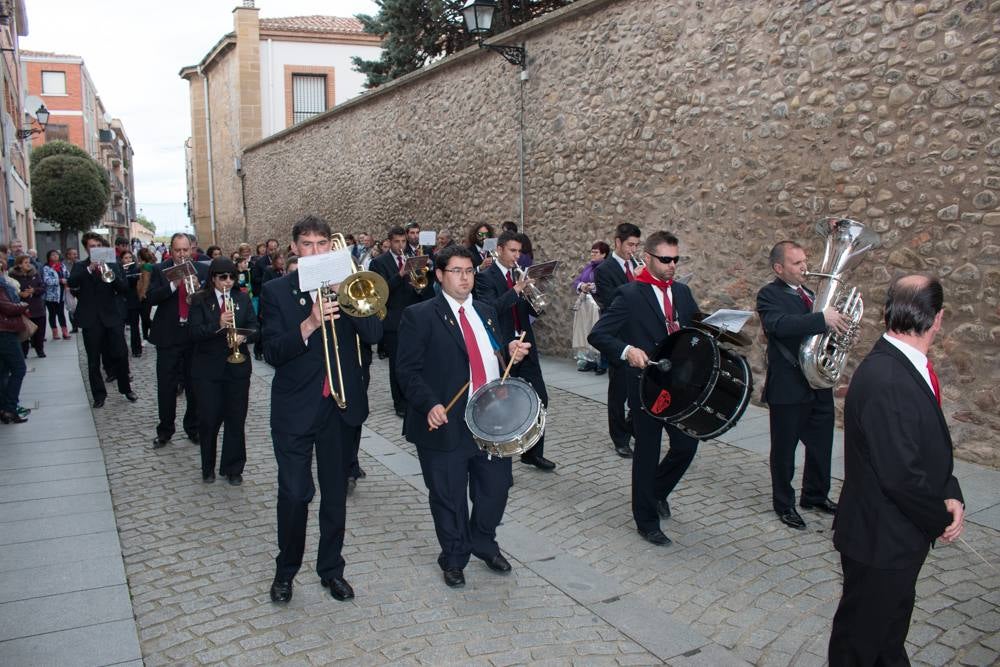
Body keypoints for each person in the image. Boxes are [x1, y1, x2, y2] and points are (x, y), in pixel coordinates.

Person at [828, 274, 964, 666]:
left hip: (895, 536)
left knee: (887, 636)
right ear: (937, 318)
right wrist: (940, 517)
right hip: (880, 540)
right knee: (858, 644)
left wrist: (950, 489)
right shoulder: (888, 377)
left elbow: (925, 445)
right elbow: (900, 474)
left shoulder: (906, 365)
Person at [262, 215, 382, 604]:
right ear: (294, 248)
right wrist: (310, 323)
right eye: (307, 244)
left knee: (334, 496)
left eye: (322, 244)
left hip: (340, 407)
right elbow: (272, 351)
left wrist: (349, 298)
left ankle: (331, 570)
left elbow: (376, 336)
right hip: (295, 411)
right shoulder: (276, 292)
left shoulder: (349, 287)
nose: (315, 251)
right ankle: (285, 572)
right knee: (296, 494)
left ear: (333, 247)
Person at [396, 244, 532, 587]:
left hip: (490, 420)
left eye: (469, 271)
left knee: (496, 489)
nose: (464, 278)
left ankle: (483, 541)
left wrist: (510, 352)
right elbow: (407, 371)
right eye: (456, 271)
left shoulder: (486, 311)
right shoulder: (420, 315)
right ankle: (454, 556)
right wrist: (429, 404)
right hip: (445, 421)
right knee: (449, 495)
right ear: (440, 275)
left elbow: (493, 356)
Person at [589, 231, 701, 546]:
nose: (672, 265)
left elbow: (694, 329)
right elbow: (599, 335)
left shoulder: (683, 292)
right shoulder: (630, 295)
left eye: (676, 259)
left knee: (686, 447)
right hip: (646, 386)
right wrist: (627, 351)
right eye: (665, 259)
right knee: (647, 454)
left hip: (679, 385)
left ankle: (656, 492)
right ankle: (646, 520)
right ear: (648, 258)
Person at [756, 240, 849, 530]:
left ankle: (815, 495)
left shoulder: (810, 294)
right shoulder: (768, 295)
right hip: (788, 385)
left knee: (822, 444)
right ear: (778, 268)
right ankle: (784, 504)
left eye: (805, 261)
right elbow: (780, 325)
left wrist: (840, 333)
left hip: (817, 383)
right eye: (797, 263)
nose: (805, 267)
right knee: (784, 450)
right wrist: (822, 319)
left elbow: (819, 335)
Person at [473, 231, 556, 471]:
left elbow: (535, 312)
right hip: (503, 347)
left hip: (525, 344)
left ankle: (533, 453)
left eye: (519, 251)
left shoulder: (519, 276)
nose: (516, 256)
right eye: (512, 251)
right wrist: (516, 290)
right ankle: (500, 458)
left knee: (541, 398)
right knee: (504, 404)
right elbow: (490, 310)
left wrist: (534, 294)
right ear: (499, 249)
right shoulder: (485, 278)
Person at [188, 258, 258, 484]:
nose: (228, 281)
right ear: (213, 278)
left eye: (231, 277)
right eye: (222, 277)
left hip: (237, 368)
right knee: (208, 419)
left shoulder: (242, 297)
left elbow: (255, 326)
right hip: (207, 369)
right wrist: (218, 323)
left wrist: (244, 335)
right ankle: (207, 466)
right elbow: (193, 333)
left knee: (236, 419)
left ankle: (233, 468)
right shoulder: (200, 299)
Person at [147, 232, 208, 448]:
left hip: (193, 336)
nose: (182, 254)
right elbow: (152, 297)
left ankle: (193, 428)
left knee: (195, 386)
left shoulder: (202, 269)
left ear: (192, 249)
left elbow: (209, 300)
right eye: (178, 250)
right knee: (167, 386)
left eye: (186, 250)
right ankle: (165, 430)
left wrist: (198, 288)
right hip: (168, 336)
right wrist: (174, 283)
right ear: (170, 250)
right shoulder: (159, 269)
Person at [68, 232, 137, 409]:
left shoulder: (113, 265)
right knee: (93, 359)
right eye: (92, 247)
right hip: (91, 318)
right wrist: (90, 269)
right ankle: (99, 395)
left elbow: (123, 288)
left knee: (121, 353)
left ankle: (126, 388)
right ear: (86, 249)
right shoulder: (80, 266)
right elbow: (72, 283)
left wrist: (109, 272)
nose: (96, 249)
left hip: (112, 316)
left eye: (98, 246)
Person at [371, 225, 434, 417]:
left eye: (403, 241)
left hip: (414, 316)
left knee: (416, 360)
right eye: (397, 242)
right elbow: (380, 293)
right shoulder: (378, 263)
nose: (401, 245)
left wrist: (421, 284)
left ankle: (415, 398)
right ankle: (399, 403)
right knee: (397, 363)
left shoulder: (413, 258)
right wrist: (400, 275)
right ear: (389, 242)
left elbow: (424, 287)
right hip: (393, 319)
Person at [593, 223, 642, 458]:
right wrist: (638, 284)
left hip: (639, 336)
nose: (633, 250)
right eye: (630, 245)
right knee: (618, 393)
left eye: (636, 245)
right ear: (618, 243)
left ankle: (634, 428)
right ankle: (620, 439)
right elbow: (612, 301)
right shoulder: (604, 269)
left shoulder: (637, 267)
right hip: (617, 339)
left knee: (640, 389)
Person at [571, 241, 609, 373]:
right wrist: (582, 286)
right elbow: (576, 281)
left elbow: (607, 286)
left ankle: (602, 363)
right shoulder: (588, 267)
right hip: (586, 306)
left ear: (604, 254)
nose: (592, 255)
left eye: (596, 252)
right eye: (591, 252)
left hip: (599, 305)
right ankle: (590, 360)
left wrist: (593, 287)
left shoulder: (606, 268)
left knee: (599, 332)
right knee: (587, 332)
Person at [0, 257, 28, 423]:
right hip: (4, 331)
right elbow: (8, 307)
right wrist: (23, 305)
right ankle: (10, 408)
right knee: (19, 368)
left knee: (3, 371)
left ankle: (4, 407)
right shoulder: (2, 286)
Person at [10, 255, 46, 358]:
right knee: (24, 331)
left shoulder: (35, 273)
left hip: (37, 306)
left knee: (39, 332)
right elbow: (10, 290)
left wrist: (34, 290)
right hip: (22, 308)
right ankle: (23, 352)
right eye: (26, 262)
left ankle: (40, 350)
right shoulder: (13, 275)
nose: (28, 264)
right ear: (19, 264)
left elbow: (43, 287)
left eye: (29, 262)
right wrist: (20, 294)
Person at [42, 250, 71, 341]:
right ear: (49, 257)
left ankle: (65, 332)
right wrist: (59, 281)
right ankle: (55, 332)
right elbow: (46, 281)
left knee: (61, 313)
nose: (55, 256)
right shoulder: (46, 268)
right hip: (51, 295)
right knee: (52, 314)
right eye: (53, 255)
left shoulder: (62, 266)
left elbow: (68, 275)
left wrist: (67, 280)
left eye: (56, 255)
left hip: (61, 294)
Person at [120, 250, 143, 357]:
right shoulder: (118, 270)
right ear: (121, 260)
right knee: (120, 328)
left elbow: (135, 282)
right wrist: (123, 273)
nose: (128, 260)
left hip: (133, 301)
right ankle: (121, 350)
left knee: (135, 327)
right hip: (122, 302)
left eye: (130, 258)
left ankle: (136, 349)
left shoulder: (136, 269)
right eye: (126, 258)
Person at [136, 248, 156, 341]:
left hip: (146, 295)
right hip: (147, 293)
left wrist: (142, 294)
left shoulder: (146, 266)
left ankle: (157, 331)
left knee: (145, 318)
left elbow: (145, 282)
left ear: (139, 256)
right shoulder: (147, 265)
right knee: (145, 317)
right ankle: (145, 336)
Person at [63, 247, 80, 332]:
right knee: (71, 308)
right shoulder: (64, 264)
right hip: (69, 288)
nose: (75, 255)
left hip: (79, 288)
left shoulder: (80, 263)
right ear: (68, 255)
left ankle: (80, 323)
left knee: (80, 306)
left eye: (76, 254)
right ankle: (74, 326)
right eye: (73, 254)